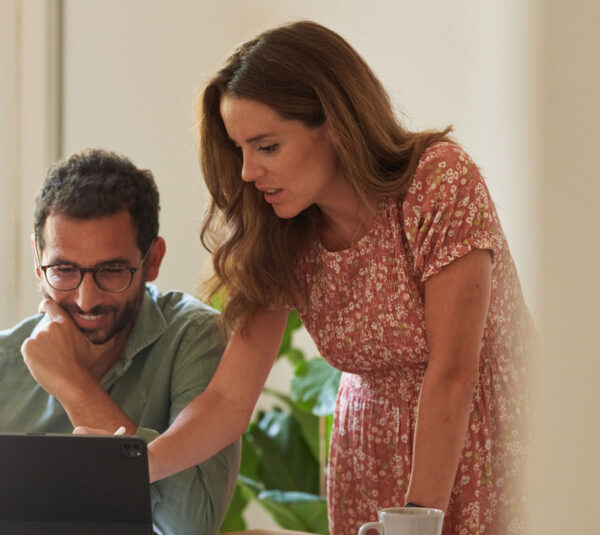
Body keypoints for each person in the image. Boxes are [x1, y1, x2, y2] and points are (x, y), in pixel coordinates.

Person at [141, 20, 533, 535]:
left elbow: (453, 372)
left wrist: (414, 521)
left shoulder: (439, 181)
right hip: (369, 456)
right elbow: (228, 400)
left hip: (486, 441)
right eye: (240, 149)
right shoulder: (281, 233)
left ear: (334, 124)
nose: (246, 172)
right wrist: (127, 472)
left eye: (266, 146)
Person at [0, 149, 240, 535]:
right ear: (38, 261)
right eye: (64, 270)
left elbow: (190, 527)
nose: (86, 299)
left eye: (111, 270)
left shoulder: (196, 340)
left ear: (152, 260)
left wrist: (73, 386)